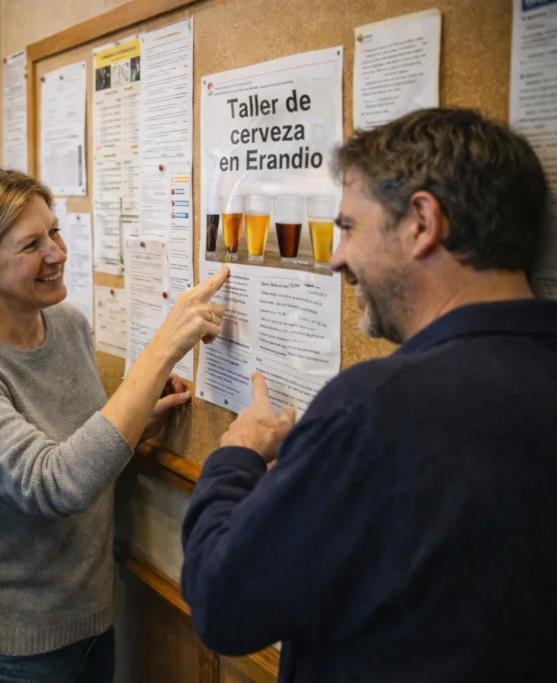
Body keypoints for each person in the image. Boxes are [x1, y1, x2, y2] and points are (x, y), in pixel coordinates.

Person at [181, 108, 557, 682]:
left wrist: (236, 457)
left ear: (422, 222)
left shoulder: (376, 408)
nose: (335, 259)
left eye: (350, 228)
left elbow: (223, 603)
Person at [0, 167, 229, 682]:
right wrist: (161, 350)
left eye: (54, 232)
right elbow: (54, 484)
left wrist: (137, 423)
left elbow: (79, 446)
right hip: (11, 650)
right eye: (31, 244)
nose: (57, 253)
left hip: (95, 620)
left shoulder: (69, 325)